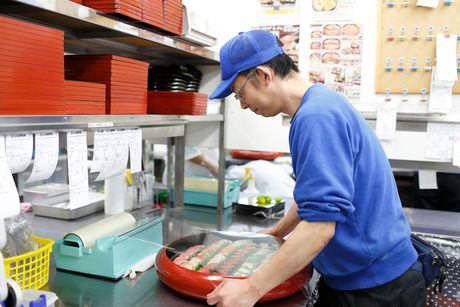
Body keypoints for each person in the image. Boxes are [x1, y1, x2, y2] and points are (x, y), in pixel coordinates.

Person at [206, 30, 425, 307]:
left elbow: (320, 227)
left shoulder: (316, 118)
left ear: (263, 75)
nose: (244, 104)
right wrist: (277, 232)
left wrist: (250, 289)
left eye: (240, 94)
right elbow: (319, 197)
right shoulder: (319, 104)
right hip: (370, 278)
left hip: (376, 289)